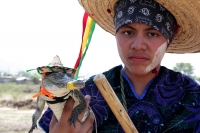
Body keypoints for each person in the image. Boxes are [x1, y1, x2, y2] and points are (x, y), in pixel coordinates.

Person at [38, 0, 200, 133]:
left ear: (168, 40)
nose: (138, 45)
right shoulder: (85, 95)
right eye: (128, 32)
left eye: (152, 34)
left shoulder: (192, 96)